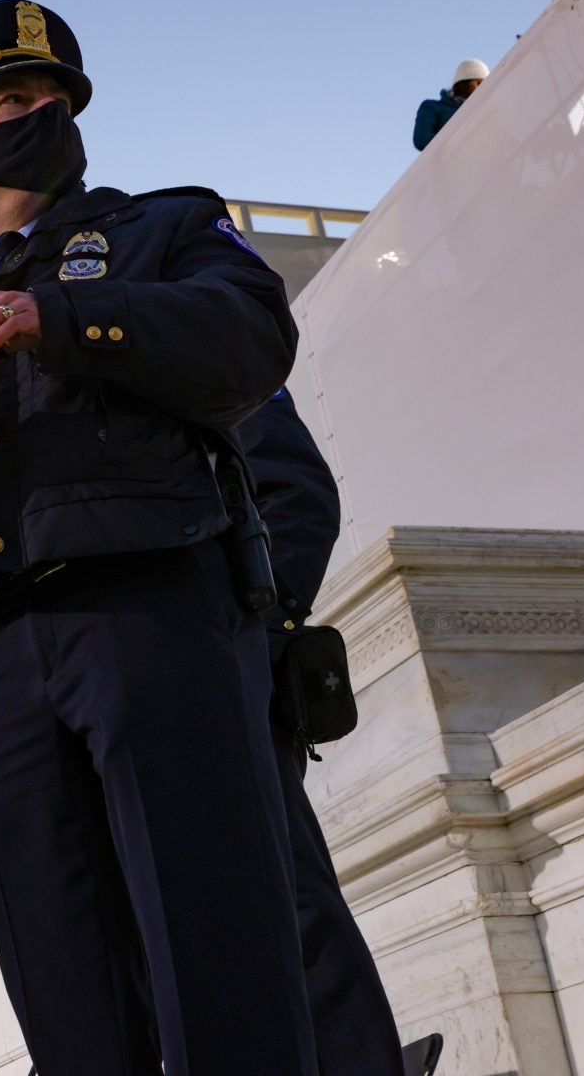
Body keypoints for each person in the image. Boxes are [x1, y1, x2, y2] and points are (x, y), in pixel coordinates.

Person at [0, 2, 312, 1071]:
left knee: (217, 956)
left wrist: (72, 322)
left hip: (153, 615)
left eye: (54, 99)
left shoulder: (158, 228)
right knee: (63, 984)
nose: (44, 113)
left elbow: (256, 335)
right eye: (14, 102)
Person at [239, 390, 406, 1074]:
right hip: (102, 707)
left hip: (220, 700)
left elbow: (298, 494)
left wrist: (242, 639)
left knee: (291, 916)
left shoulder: (191, 333)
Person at [413, 58, 488, 150]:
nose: (482, 88)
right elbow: (421, 139)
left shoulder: (481, 111)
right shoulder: (432, 107)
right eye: (478, 83)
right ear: (463, 83)